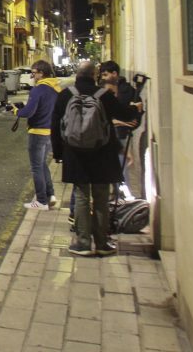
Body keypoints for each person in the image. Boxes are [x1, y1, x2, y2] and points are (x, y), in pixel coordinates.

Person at [51, 61, 129, 256]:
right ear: (95, 75)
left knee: (81, 196)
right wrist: (137, 108)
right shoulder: (104, 95)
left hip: (75, 153)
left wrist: (58, 153)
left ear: (77, 75)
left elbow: (55, 126)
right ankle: (102, 243)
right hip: (102, 153)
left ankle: (83, 243)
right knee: (101, 197)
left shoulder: (66, 95)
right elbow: (124, 114)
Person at [13, 60, 61, 210]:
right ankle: (50, 195)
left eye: (34, 73)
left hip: (37, 133)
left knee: (36, 167)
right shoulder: (56, 88)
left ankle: (41, 201)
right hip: (50, 133)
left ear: (42, 73)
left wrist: (16, 111)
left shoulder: (38, 90)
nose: (32, 76)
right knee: (42, 165)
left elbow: (29, 112)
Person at [98, 60, 144, 197]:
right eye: (102, 75)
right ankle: (116, 193)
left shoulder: (127, 91)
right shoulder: (105, 89)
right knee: (111, 167)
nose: (103, 77)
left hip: (120, 134)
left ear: (114, 73)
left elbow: (132, 114)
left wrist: (124, 122)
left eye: (105, 74)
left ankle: (121, 195)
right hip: (109, 134)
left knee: (120, 167)